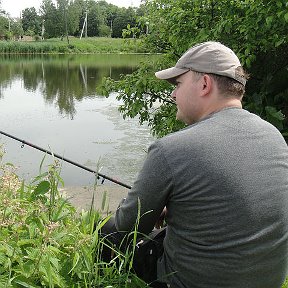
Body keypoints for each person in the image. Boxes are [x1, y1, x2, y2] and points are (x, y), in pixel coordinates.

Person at [102, 41, 288, 288]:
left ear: (204, 84)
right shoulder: (275, 137)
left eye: (178, 84)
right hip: (267, 281)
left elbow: (128, 226)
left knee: (108, 233)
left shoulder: (171, 149)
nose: (173, 94)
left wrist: (150, 209)